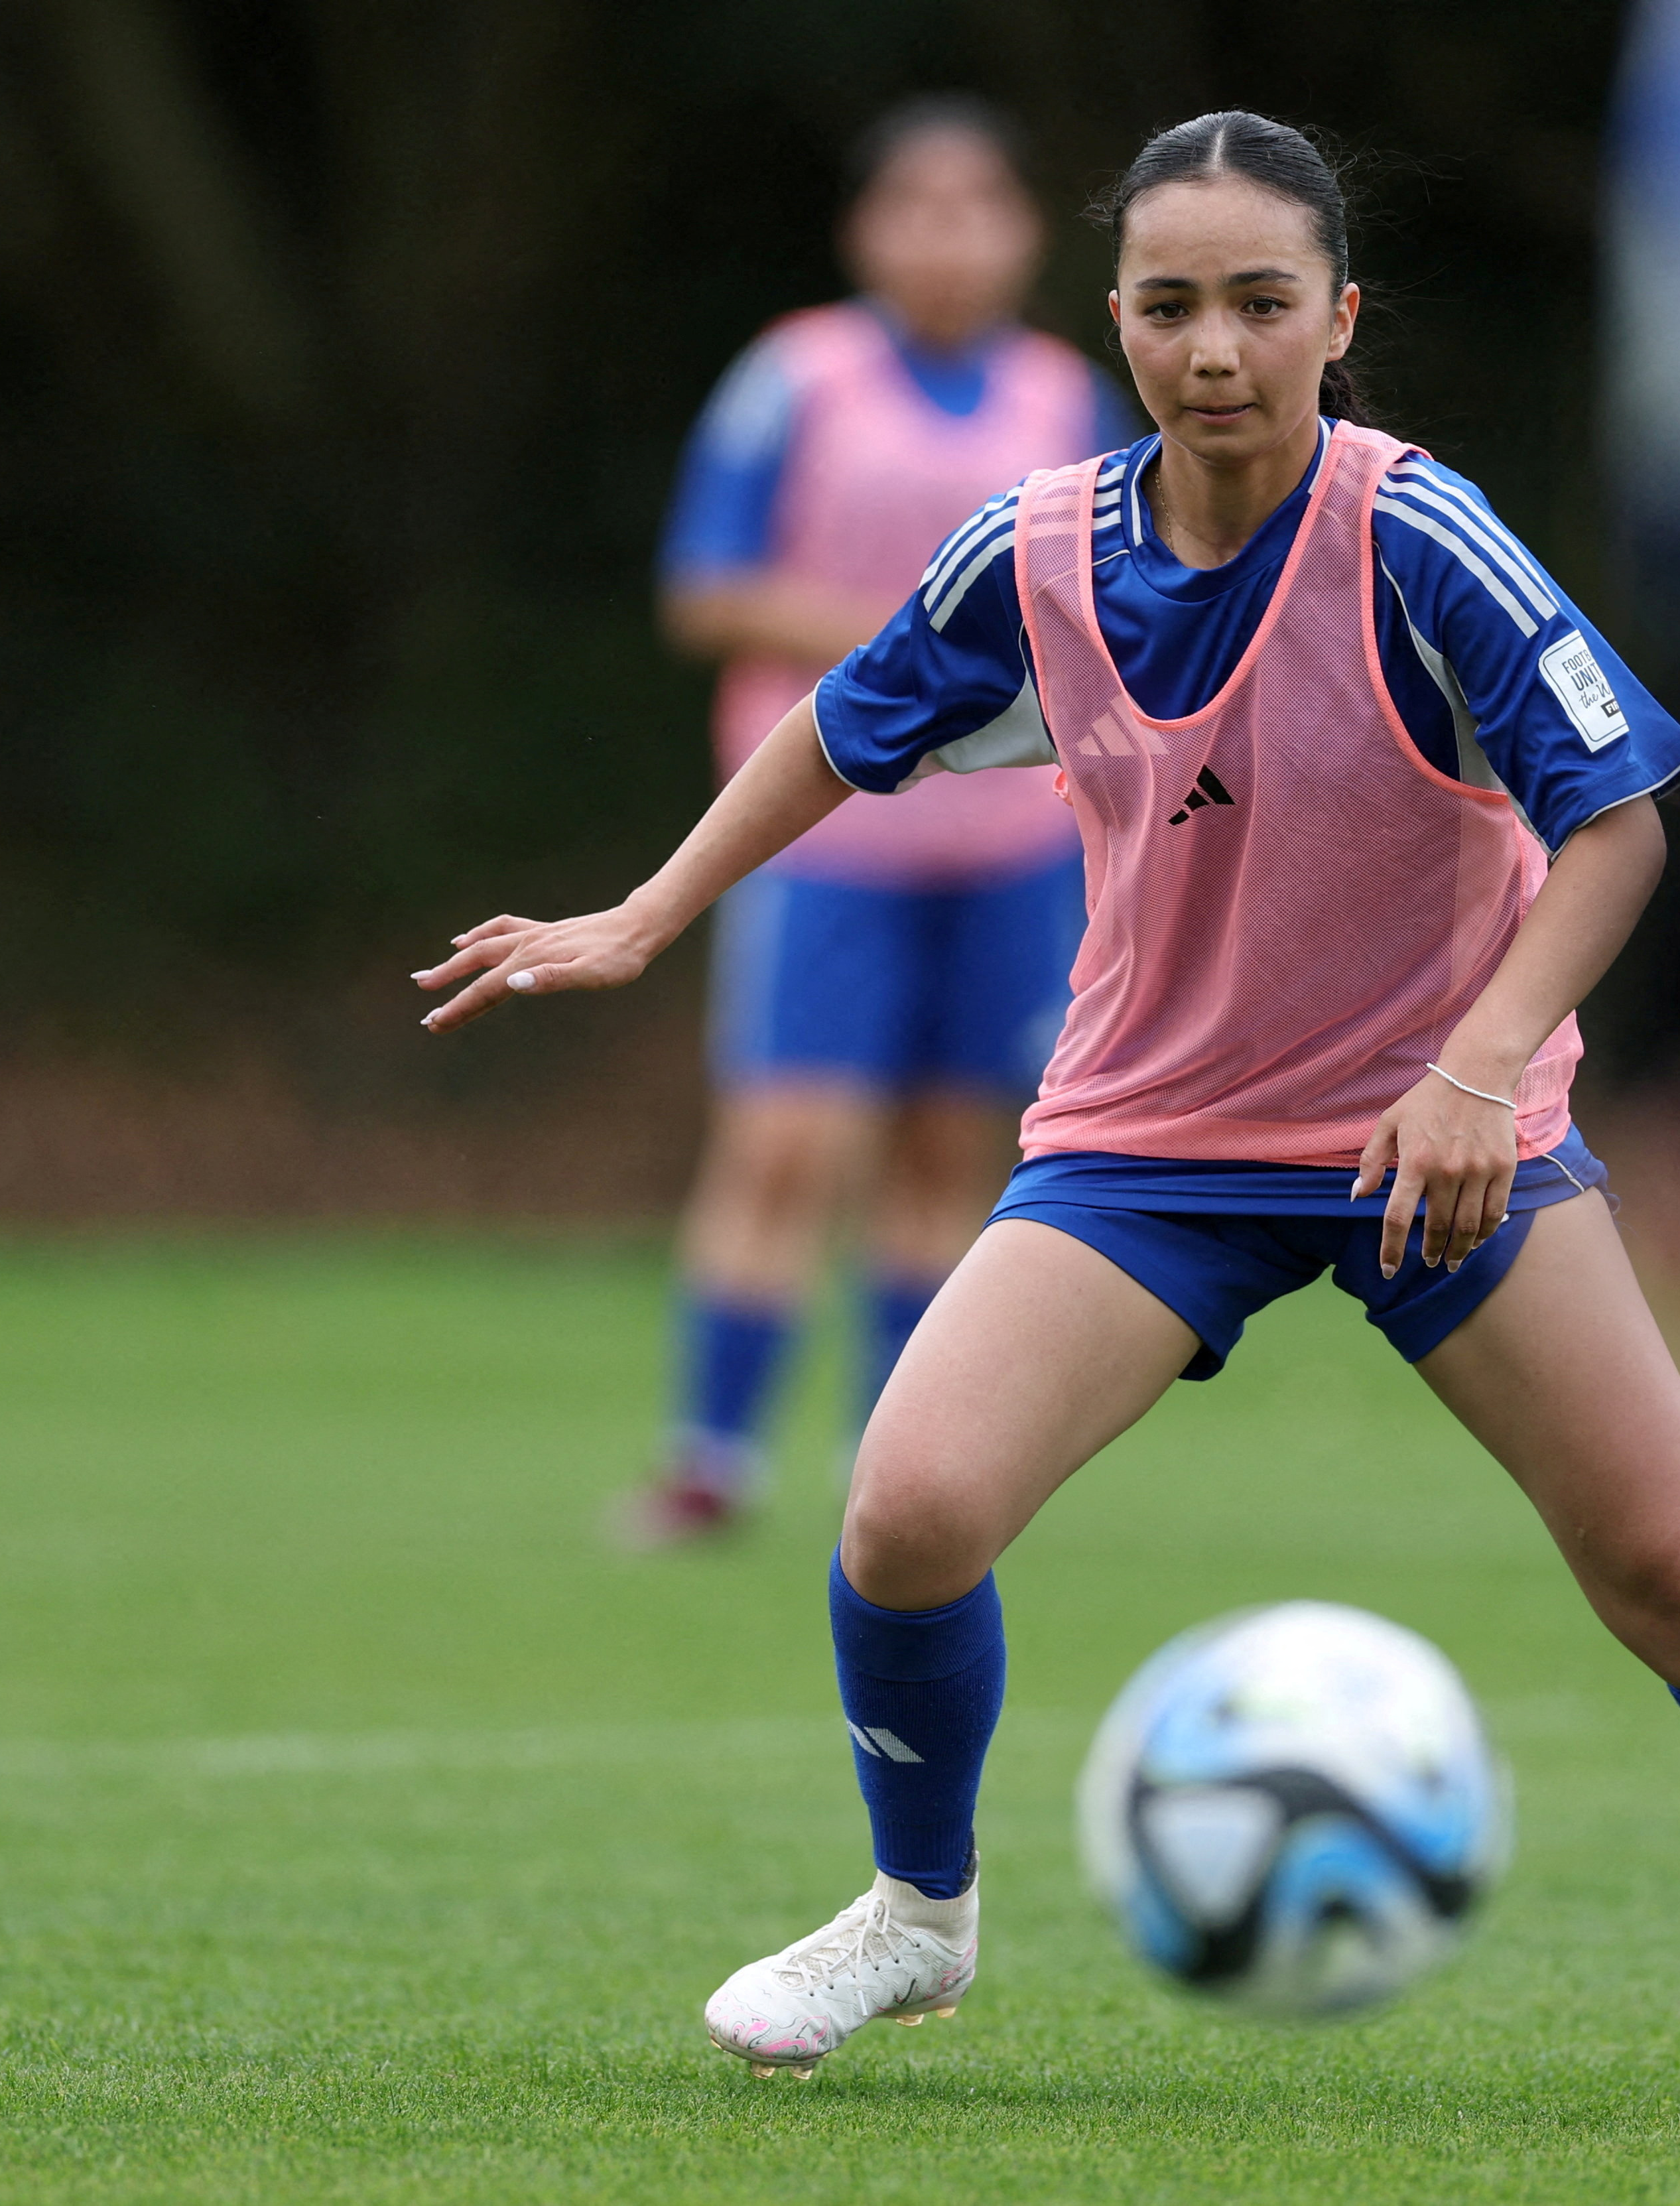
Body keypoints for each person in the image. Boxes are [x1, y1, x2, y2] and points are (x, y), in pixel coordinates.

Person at [420, 110, 1680, 2122]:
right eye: (1165, 303)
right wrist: (647, 909)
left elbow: (1618, 827)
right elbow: (840, 721)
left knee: (1679, 1571)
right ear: (1116, 321)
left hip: (1439, 1141)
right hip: (1147, 1148)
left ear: (1335, 317)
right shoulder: (1036, 546)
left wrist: (1476, 1067)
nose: (1210, 344)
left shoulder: (1416, 533)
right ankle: (917, 1908)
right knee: (904, 1515)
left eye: (1256, 301)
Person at [641, 96, 1131, 1539]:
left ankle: (895, 1458)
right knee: (788, 1142)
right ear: (865, 231)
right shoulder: (797, 379)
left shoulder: (1064, 397)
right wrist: (912, 642)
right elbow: (706, 588)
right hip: (827, 840)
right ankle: (707, 1458)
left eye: (977, 205)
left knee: (944, 1156)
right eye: (915, 206)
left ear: (1024, 231)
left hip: (1006, 845)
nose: (947, 235)